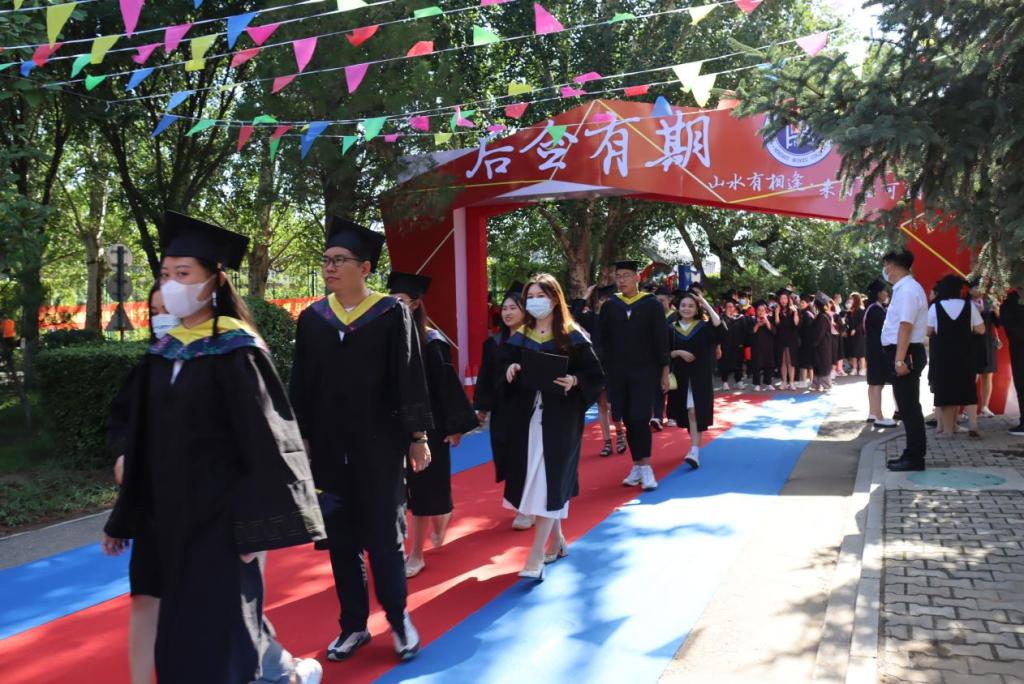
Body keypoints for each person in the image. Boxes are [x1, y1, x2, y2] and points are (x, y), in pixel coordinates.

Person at [102, 212, 325, 684]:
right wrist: (127, 512)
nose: (172, 284)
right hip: (169, 521)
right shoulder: (163, 354)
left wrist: (254, 532)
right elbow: (141, 440)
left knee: (220, 639)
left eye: (184, 274)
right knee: (179, 638)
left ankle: (287, 675)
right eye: (166, 274)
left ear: (215, 282)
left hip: (221, 524)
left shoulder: (236, 352)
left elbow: (267, 441)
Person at [290, 217, 433, 662]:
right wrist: (302, 437)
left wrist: (417, 435)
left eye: (339, 260)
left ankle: (398, 617)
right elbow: (302, 382)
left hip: (379, 446)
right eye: (326, 260)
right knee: (340, 539)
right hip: (329, 448)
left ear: (365, 268)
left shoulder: (390, 314)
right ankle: (353, 625)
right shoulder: (314, 319)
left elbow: (408, 376)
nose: (330, 267)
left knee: (385, 537)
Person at [501, 274, 604, 580]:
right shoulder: (521, 336)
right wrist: (510, 368)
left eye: (540, 296)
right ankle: (557, 541)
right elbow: (502, 371)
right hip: (528, 419)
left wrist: (575, 380)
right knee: (539, 481)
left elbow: (595, 375)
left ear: (555, 299)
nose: (534, 301)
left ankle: (535, 556)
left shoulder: (573, 336)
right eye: (530, 296)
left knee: (548, 481)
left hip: (561, 419)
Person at [104, 283, 177, 684]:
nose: (161, 319)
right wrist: (122, 456)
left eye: (168, 309)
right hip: (153, 508)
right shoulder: (148, 368)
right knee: (145, 599)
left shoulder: (227, 362)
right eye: (155, 311)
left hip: (207, 511)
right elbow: (123, 424)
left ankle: (281, 671)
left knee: (216, 612)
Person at [388, 272, 479, 579]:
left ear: (415, 304)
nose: (395, 306)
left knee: (425, 491)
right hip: (394, 426)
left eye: (401, 301)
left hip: (430, 425)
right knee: (403, 491)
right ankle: (439, 516)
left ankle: (416, 554)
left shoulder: (431, 341)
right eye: (391, 300)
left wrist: (454, 426)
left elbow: (446, 387)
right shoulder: (384, 340)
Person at [599, 261, 670, 491]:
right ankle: (637, 465)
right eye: (618, 276)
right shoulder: (611, 306)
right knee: (627, 419)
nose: (621, 280)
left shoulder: (651, 305)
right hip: (618, 373)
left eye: (626, 275)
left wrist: (665, 372)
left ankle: (646, 467)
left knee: (640, 417)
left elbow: (661, 340)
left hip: (645, 372)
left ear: (638, 277)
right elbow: (602, 341)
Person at [475, 281, 537, 530]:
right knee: (507, 453)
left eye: (513, 308)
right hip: (503, 409)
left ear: (525, 311)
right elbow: (485, 377)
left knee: (525, 456)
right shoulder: (493, 343)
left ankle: (526, 508)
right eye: (505, 308)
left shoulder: (535, 340)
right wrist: (482, 407)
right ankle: (521, 503)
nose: (508, 312)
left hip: (529, 407)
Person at [880, 249, 930, 471]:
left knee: (909, 408)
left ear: (892, 265)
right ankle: (912, 455)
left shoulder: (908, 290)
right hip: (904, 351)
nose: (885, 270)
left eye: (886, 265)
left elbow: (905, 326)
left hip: (905, 352)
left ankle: (914, 457)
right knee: (909, 407)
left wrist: (899, 360)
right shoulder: (905, 288)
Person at [666, 291, 722, 469]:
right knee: (689, 413)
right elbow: (663, 352)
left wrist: (705, 303)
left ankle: (694, 450)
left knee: (694, 411)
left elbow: (719, 326)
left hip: (699, 376)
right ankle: (694, 446)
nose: (687, 308)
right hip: (681, 377)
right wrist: (677, 352)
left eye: (691, 306)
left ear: (697, 309)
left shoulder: (703, 327)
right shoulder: (671, 328)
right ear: (678, 307)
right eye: (683, 305)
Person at [928, 275, 985, 439]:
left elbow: (928, 331)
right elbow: (981, 329)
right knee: (968, 388)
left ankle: (947, 431)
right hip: (965, 354)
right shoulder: (969, 306)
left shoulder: (935, 307)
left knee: (946, 390)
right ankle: (973, 425)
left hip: (943, 356)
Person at [586, 284, 627, 456]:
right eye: (601, 299)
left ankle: (620, 433)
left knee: (613, 404)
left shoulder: (621, 320)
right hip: (597, 367)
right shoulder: (592, 319)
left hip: (614, 367)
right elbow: (574, 316)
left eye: (608, 299)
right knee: (602, 405)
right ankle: (607, 441)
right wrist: (586, 295)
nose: (604, 302)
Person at [864, 280, 897, 426]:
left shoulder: (872, 308)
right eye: (884, 291)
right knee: (877, 383)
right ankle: (879, 417)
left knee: (874, 383)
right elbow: (886, 330)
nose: (886, 293)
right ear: (878, 293)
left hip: (873, 350)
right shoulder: (876, 310)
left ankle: (872, 413)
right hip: (878, 351)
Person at [969, 278, 1002, 416]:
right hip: (971, 344)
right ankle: (968, 408)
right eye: (976, 287)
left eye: (981, 286)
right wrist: (977, 313)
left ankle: (985, 407)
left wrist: (997, 310)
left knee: (987, 375)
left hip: (988, 343)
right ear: (970, 290)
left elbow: (998, 323)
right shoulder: (965, 303)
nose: (980, 289)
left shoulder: (988, 302)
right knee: (971, 376)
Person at [998, 284, 1024, 436]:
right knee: (1021, 383)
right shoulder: (1010, 302)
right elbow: (1005, 321)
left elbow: (1005, 321)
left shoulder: (1010, 302)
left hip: (1019, 347)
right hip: (1019, 348)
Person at [773, 290, 800, 391]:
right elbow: (777, 324)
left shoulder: (793, 309)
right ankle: (784, 382)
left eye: (785, 298)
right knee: (783, 361)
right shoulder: (777, 310)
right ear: (779, 300)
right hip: (780, 338)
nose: (783, 300)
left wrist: (795, 312)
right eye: (781, 298)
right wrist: (776, 313)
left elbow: (796, 323)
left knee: (791, 361)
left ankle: (791, 382)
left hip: (791, 338)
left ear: (788, 299)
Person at [718, 299, 747, 390]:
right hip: (725, 345)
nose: (730, 308)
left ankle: (738, 381)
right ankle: (725, 382)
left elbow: (744, 331)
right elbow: (719, 332)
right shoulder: (721, 318)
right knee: (725, 364)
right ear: (725, 308)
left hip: (737, 345)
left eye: (731, 307)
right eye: (728, 307)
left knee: (738, 363)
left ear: (735, 308)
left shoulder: (739, 318)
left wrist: (742, 342)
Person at [810, 293, 835, 391]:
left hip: (822, 345)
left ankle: (826, 385)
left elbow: (819, 332)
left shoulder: (822, 317)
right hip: (822, 345)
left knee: (823, 364)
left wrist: (814, 343)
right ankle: (816, 384)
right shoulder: (822, 315)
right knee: (818, 363)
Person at [748, 301, 775, 391]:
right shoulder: (752, 320)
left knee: (769, 364)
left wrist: (767, 322)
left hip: (768, 346)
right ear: (756, 311)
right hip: (757, 346)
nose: (761, 312)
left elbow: (774, 332)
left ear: (766, 311)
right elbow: (750, 333)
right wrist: (757, 325)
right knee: (757, 364)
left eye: (763, 310)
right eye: (759, 310)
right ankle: (756, 384)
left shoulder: (770, 319)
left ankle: (768, 383)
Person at [845, 293, 867, 376]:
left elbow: (862, 322)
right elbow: (848, 322)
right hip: (851, 333)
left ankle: (863, 369)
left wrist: (856, 329)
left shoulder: (861, 309)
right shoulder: (851, 310)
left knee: (861, 353)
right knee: (853, 352)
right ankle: (854, 368)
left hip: (859, 334)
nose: (850, 301)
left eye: (852, 299)